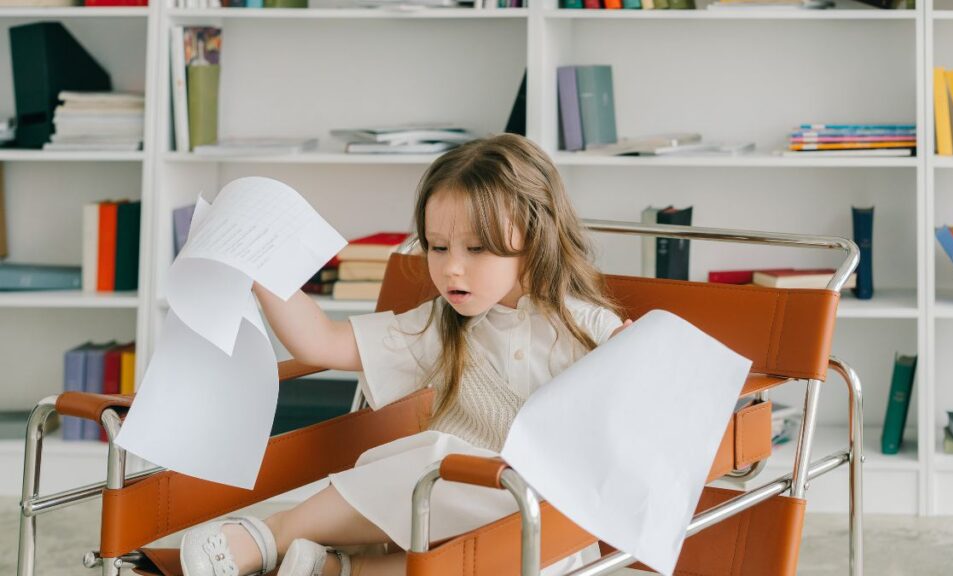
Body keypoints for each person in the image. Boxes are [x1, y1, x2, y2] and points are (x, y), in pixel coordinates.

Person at [180, 134, 632, 576]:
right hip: (430, 515)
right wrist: (258, 270)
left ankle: (343, 569)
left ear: (534, 238)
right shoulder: (440, 325)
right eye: (437, 247)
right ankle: (271, 536)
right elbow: (322, 341)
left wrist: (633, 373)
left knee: (528, 529)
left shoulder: (591, 331)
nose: (451, 266)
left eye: (476, 248)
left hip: (541, 539)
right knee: (441, 461)